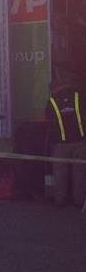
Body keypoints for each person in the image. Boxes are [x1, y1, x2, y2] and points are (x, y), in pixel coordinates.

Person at [45, 74, 86, 207]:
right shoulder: (79, 97)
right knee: (79, 173)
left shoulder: (52, 101)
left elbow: (48, 120)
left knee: (60, 173)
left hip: (60, 144)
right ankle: (79, 202)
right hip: (80, 142)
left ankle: (60, 201)